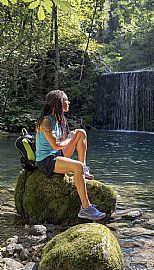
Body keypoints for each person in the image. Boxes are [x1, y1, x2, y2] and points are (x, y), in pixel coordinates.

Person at [35, 89, 106, 221]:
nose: (69, 102)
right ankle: (86, 208)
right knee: (76, 166)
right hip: (46, 161)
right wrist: (70, 138)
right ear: (58, 102)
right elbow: (56, 145)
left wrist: (71, 137)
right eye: (66, 100)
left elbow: (59, 145)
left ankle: (83, 169)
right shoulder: (46, 122)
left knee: (81, 133)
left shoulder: (58, 120)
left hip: (56, 155)